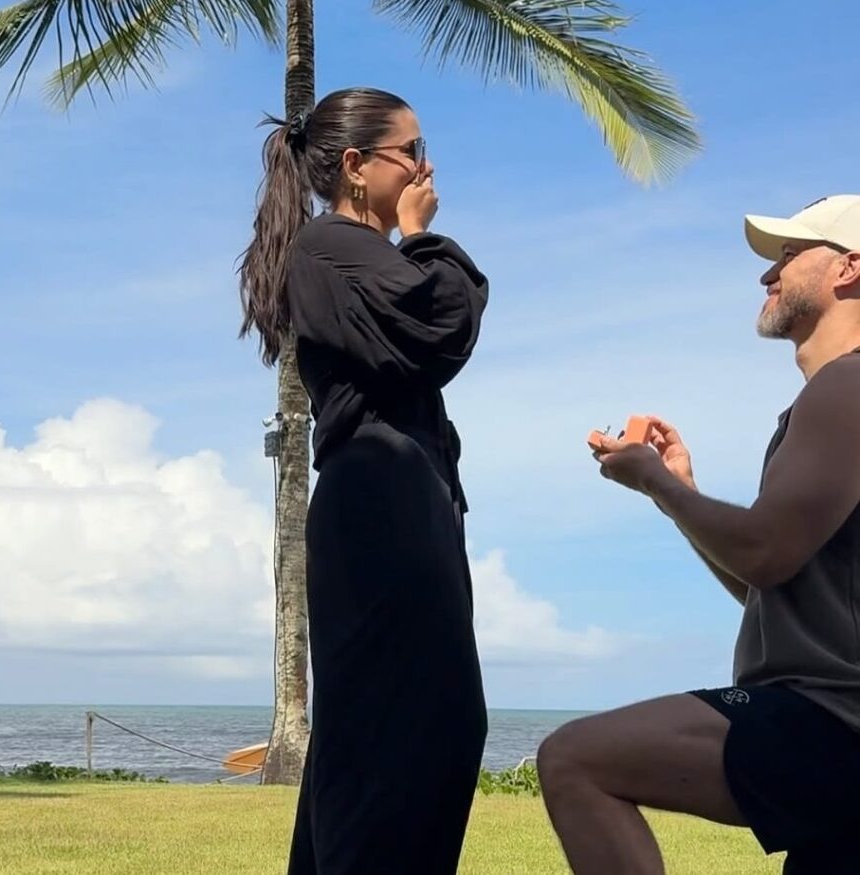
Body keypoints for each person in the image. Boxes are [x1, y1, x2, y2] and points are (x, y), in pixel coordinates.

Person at [537, 194, 860, 874]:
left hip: (830, 721)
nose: (767, 274)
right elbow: (767, 586)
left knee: (575, 758)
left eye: (790, 254)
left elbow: (764, 552)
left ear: (850, 268)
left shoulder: (847, 386)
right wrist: (678, 491)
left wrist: (661, 482)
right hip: (827, 731)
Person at [237, 87, 490, 874]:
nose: (425, 165)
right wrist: (423, 235)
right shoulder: (333, 247)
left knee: (392, 730)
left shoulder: (345, 251)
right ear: (355, 165)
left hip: (396, 500)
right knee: (413, 728)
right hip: (381, 501)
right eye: (409, 151)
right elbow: (439, 324)